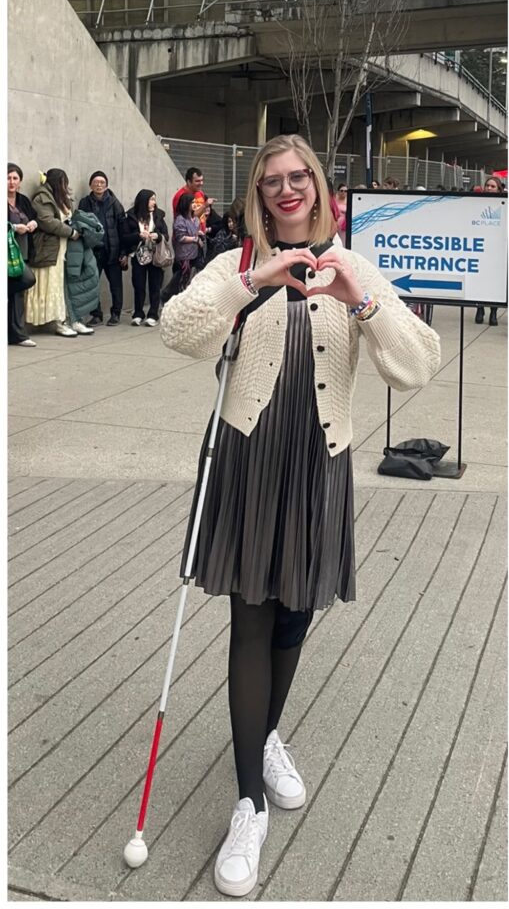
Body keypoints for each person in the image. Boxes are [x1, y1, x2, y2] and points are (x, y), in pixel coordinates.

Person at [160, 133, 441, 898]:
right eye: (273, 181)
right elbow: (178, 332)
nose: (287, 191)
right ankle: (247, 800)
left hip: (321, 461)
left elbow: (419, 364)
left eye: (299, 178)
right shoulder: (236, 264)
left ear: (318, 187)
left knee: (294, 615)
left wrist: (366, 302)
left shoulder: (351, 265)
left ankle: (264, 735)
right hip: (250, 460)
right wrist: (249, 282)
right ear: (259, 192)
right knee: (252, 617)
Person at [27, 168, 91, 337]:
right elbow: (47, 222)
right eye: (64, 182)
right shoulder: (42, 198)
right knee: (51, 286)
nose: (66, 186)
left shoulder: (60, 198)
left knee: (64, 286)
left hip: (64, 248)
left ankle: (69, 319)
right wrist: (71, 232)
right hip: (49, 250)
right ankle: (58, 322)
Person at [77, 170, 127, 325]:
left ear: (107, 186)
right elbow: (80, 224)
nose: (99, 185)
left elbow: (122, 229)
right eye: (96, 182)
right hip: (93, 251)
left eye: (102, 183)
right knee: (92, 284)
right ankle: (96, 314)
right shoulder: (85, 202)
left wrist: (124, 252)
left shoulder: (115, 203)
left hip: (113, 251)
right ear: (90, 185)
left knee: (116, 285)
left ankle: (116, 313)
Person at [123, 189, 169, 325]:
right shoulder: (131, 215)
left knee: (155, 284)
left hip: (155, 254)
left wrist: (158, 236)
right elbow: (124, 237)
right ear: (144, 201)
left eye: (154, 199)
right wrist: (138, 236)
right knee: (138, 284)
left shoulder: (158, 215)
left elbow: (166, 235)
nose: (154, 202)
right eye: (151, 199)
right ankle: (138, 313)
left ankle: (153, 314)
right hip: (138, 254)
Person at [8, 163, 39, 347]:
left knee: (18, 293)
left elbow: (33, 216)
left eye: (15, 178)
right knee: (23, 283)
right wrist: (12, 227)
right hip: (6, 252)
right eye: (8, 178)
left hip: (22, 251)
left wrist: (33, 223)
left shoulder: (23, 200)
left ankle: (18, 334)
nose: (11, 182)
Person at [475, 175, 505, 326]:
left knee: (495, 283)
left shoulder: (504, 205)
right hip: (481, 247)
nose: (489, 188)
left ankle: (493, 312)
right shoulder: (477, 203)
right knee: (481, 279)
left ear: (499, 189)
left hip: (498, 249)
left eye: (493, 186)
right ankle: (480, 309)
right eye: (487, 185)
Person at [168, 191, 204, 297]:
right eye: (192, 202)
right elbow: (181, 237)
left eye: (195, 202)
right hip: (184, 256)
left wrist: (199, 233)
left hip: (195, 253)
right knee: (183, 279)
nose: (195, 204)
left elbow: (194, 230)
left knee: (194, 277)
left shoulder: (195, 219)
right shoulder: (180, 220)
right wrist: (195, 239)